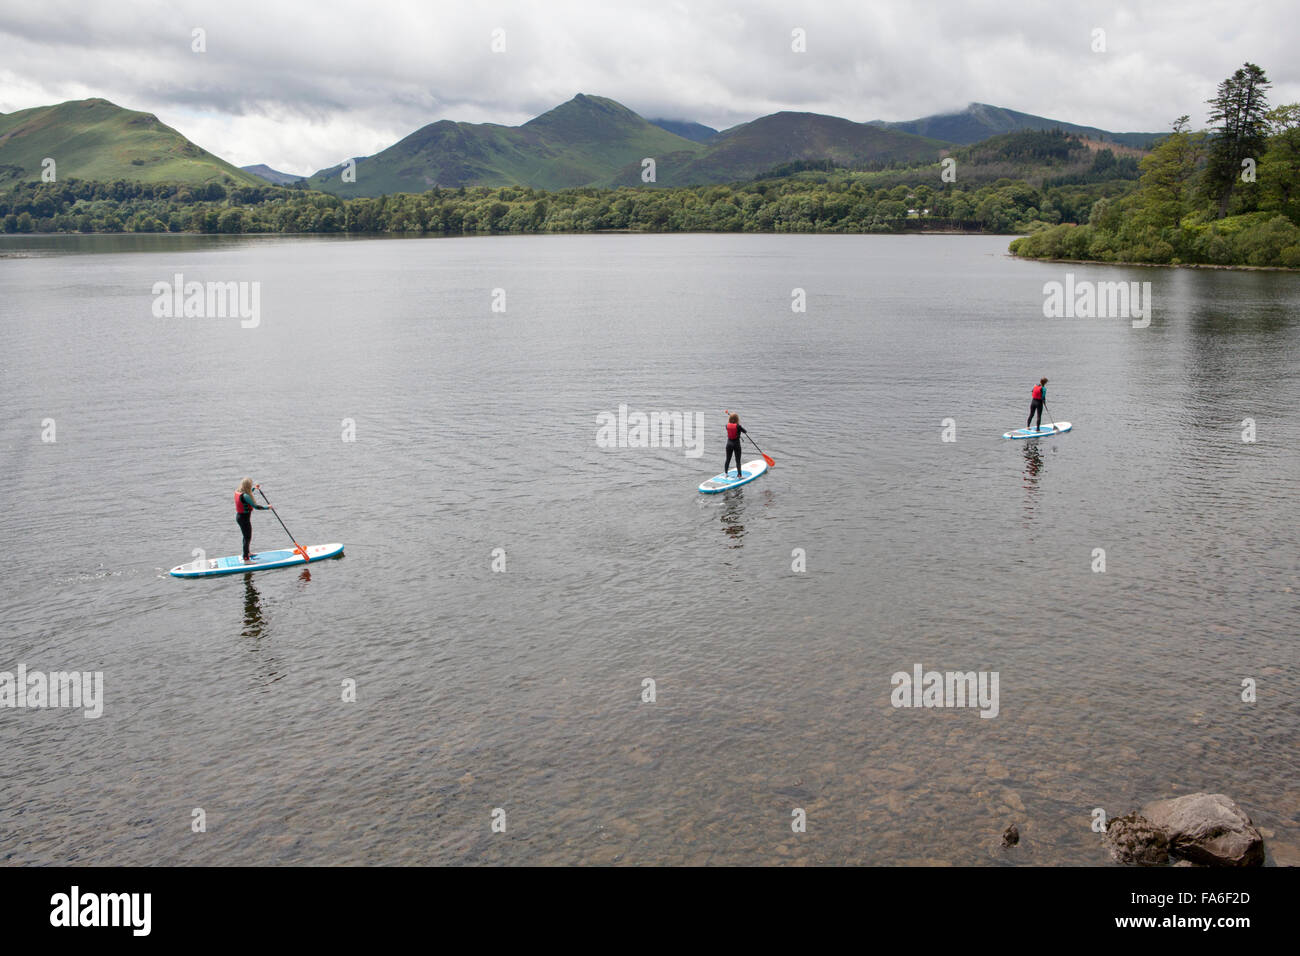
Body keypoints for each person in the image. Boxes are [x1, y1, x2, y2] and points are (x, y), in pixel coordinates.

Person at [235, 478, 271, 563]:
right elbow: (256, 506)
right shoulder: (245, 496)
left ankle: (247, 553)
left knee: (246, 536)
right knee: (247, 537)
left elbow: (246, 495)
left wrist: (254, 488)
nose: (251, 486)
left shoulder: (238, 491)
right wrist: (268, 507)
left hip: (240, 517)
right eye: (250, 485)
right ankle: (246, 559)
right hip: (244, 519)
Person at [724, 412, 747, 478]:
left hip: (729, 444)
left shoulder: (726, 425)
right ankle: (739, 475)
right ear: (737, 419)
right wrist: (739, 426)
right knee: (738, 460)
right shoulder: (738, 426)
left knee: (728, 459)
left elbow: (731, 427)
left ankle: (726, 473)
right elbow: (745, 431)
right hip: (736, 444)